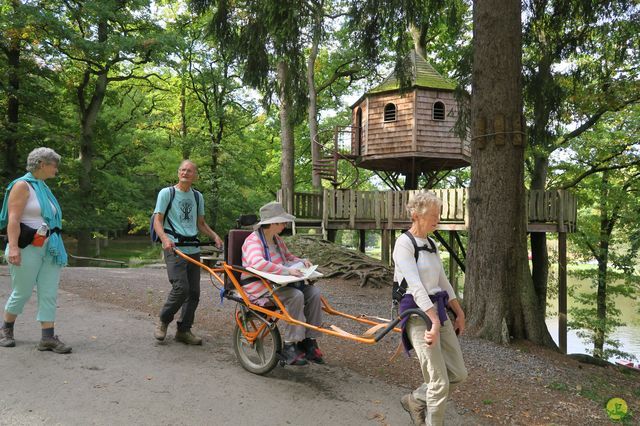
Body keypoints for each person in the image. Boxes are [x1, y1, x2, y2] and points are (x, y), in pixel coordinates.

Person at [393, 192, 467, 426]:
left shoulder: (432, 243)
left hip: (437, 311)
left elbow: (443, 282)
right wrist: (433, 321)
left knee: (457, 374)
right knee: (438, 381)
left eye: (439, 215)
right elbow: (415, 285)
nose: (437, 219)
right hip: (416, 314)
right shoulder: (404, 243)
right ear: (415, 216)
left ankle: (415, 399)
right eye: (432, 215)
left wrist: (459, 312)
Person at [0, 147, 70, 353]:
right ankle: (6, 328)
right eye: (54, 164)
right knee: (21, 292)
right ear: (42, 164)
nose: (56, 169)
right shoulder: (22, 186)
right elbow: (13, 219)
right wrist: (13, 248)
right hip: (26, 247)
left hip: (50, 247)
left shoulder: (44, 188)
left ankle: (47, 338)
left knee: (49, 292)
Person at [241, 201, 324, 366]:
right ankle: (290, 345)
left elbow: (289, 257)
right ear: (272, 223)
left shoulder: (277, 239)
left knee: (314, 294)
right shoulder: (253, 241)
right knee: (296, 296)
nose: (285, 224)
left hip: (280, 283)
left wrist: (302, 261)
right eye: (283, 221)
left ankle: (308, 340)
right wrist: (287, 271)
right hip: (260, 286)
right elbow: (256, 263)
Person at [153, 160, 223, 345]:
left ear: (195, 176)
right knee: (181, 288)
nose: (185, 173)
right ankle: (163, 320)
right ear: (178, 173)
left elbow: (201, 223)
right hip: (174, 248)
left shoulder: (198, 197)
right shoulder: (167, 193)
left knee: (194, 293)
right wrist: (165, 239)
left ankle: (184, 330)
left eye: (189, 171)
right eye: (183, 170)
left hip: (193, 248)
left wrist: (215, 236)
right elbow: (157, 221)